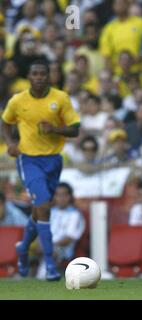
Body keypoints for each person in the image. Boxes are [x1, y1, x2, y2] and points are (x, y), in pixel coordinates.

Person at [1, 59, 80, 281]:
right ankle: (50, 264)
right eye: (34, 74)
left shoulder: (60, 98)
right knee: (44, 206)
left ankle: (23, 247)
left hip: (54, 160)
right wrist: (10, 143)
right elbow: (5, 122)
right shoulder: (18, 101)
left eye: (42, 74)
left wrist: (54, 128)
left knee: (39, 210)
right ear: (29, 77)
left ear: (49, 76)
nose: (38, 77)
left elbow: (75, 130)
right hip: (28, 159)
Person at [35, 182, 85, 278]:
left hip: (63, 250)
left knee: (50, 253)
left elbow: (69, 239)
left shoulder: (75, 215)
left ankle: (42, 278)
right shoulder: (50, 212)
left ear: (70, 197)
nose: (61, 198)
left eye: (64, 195)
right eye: (57, 195)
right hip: (46, 247)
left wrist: (48, 246)